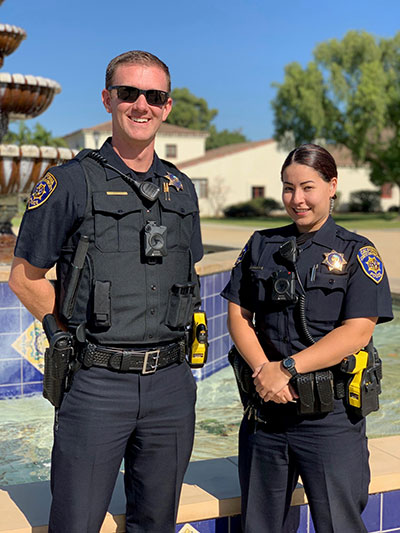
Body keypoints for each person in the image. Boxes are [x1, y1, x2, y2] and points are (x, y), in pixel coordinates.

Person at [9, 50, 203, 533]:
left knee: (157, 522)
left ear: (167, 107)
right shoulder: (70, 182)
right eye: (128, 93)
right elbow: (24, 276)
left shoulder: (182, 189)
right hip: (97, 384)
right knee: (76, 522)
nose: (141, 104)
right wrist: (60, 334)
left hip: (171, 385)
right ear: (107, 99)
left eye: (153, 96)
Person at [221, 143, 393, 533]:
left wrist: (287, 368)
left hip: (329, 420)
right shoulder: (260, 245)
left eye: (308, 187)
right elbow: (238, 314)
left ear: (332, 186)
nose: (296, 199)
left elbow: (357, 331)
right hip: (267, 414)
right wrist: (264, 371)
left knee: (340, 525)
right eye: (287, 188)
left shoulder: (357, 252)